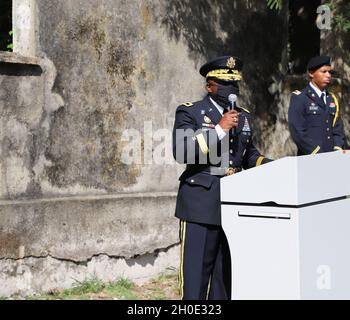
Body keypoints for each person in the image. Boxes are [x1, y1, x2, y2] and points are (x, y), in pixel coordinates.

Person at [172, 55, 272, 300]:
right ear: (210, 86)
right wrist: (219, 129)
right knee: (195, 285)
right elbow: (182, 151)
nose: (232, 89)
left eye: (235, 84)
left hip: (234, 208)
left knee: (224, 284)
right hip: (201, 206)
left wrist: (270, 165)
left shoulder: (243, 116)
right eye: (226, 84)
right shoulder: (191, 112)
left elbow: (248, 155)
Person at [288, 55, 346, 155]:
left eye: (330, 72)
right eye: (324, 72)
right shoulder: (300, 98)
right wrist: (316, 153)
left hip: (332, 158)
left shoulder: (332, 99)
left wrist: (337, 149)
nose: (328, 75)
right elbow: (298, 132)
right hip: (310, 158)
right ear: (311, 73)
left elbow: (337, 130)